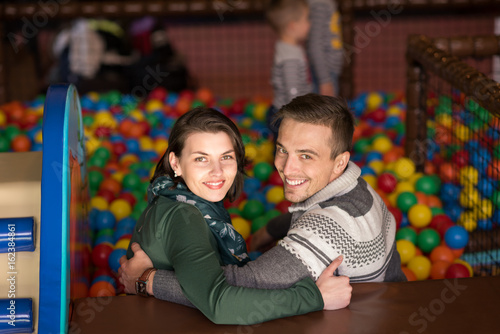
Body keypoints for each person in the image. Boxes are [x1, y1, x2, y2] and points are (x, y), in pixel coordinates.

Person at [120, 94, 404, 312]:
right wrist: (267, 232)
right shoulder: (361, 189)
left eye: (306, 155)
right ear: (176, 162)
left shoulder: (325, 228)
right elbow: (312, 214)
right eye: (282, 150)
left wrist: (147, 281)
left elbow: (233, 288)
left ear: (339, 162)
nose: (287, 168)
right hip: (394, 293)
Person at [265, 0, 313, 139]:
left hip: (284, 111)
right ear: (292, 26)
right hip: (287, 114)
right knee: (287, 144)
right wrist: (300, 116)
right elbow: (292, 91)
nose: (309, 23)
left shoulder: (287, 48)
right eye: (306, 19)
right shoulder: (290, 57)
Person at [306, 0, 344, 97]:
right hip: (325, 70)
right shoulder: (320, 5)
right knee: (326, 110)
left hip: (328, 70)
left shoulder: (324, 4)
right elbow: (314, 44)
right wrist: (325, 80)